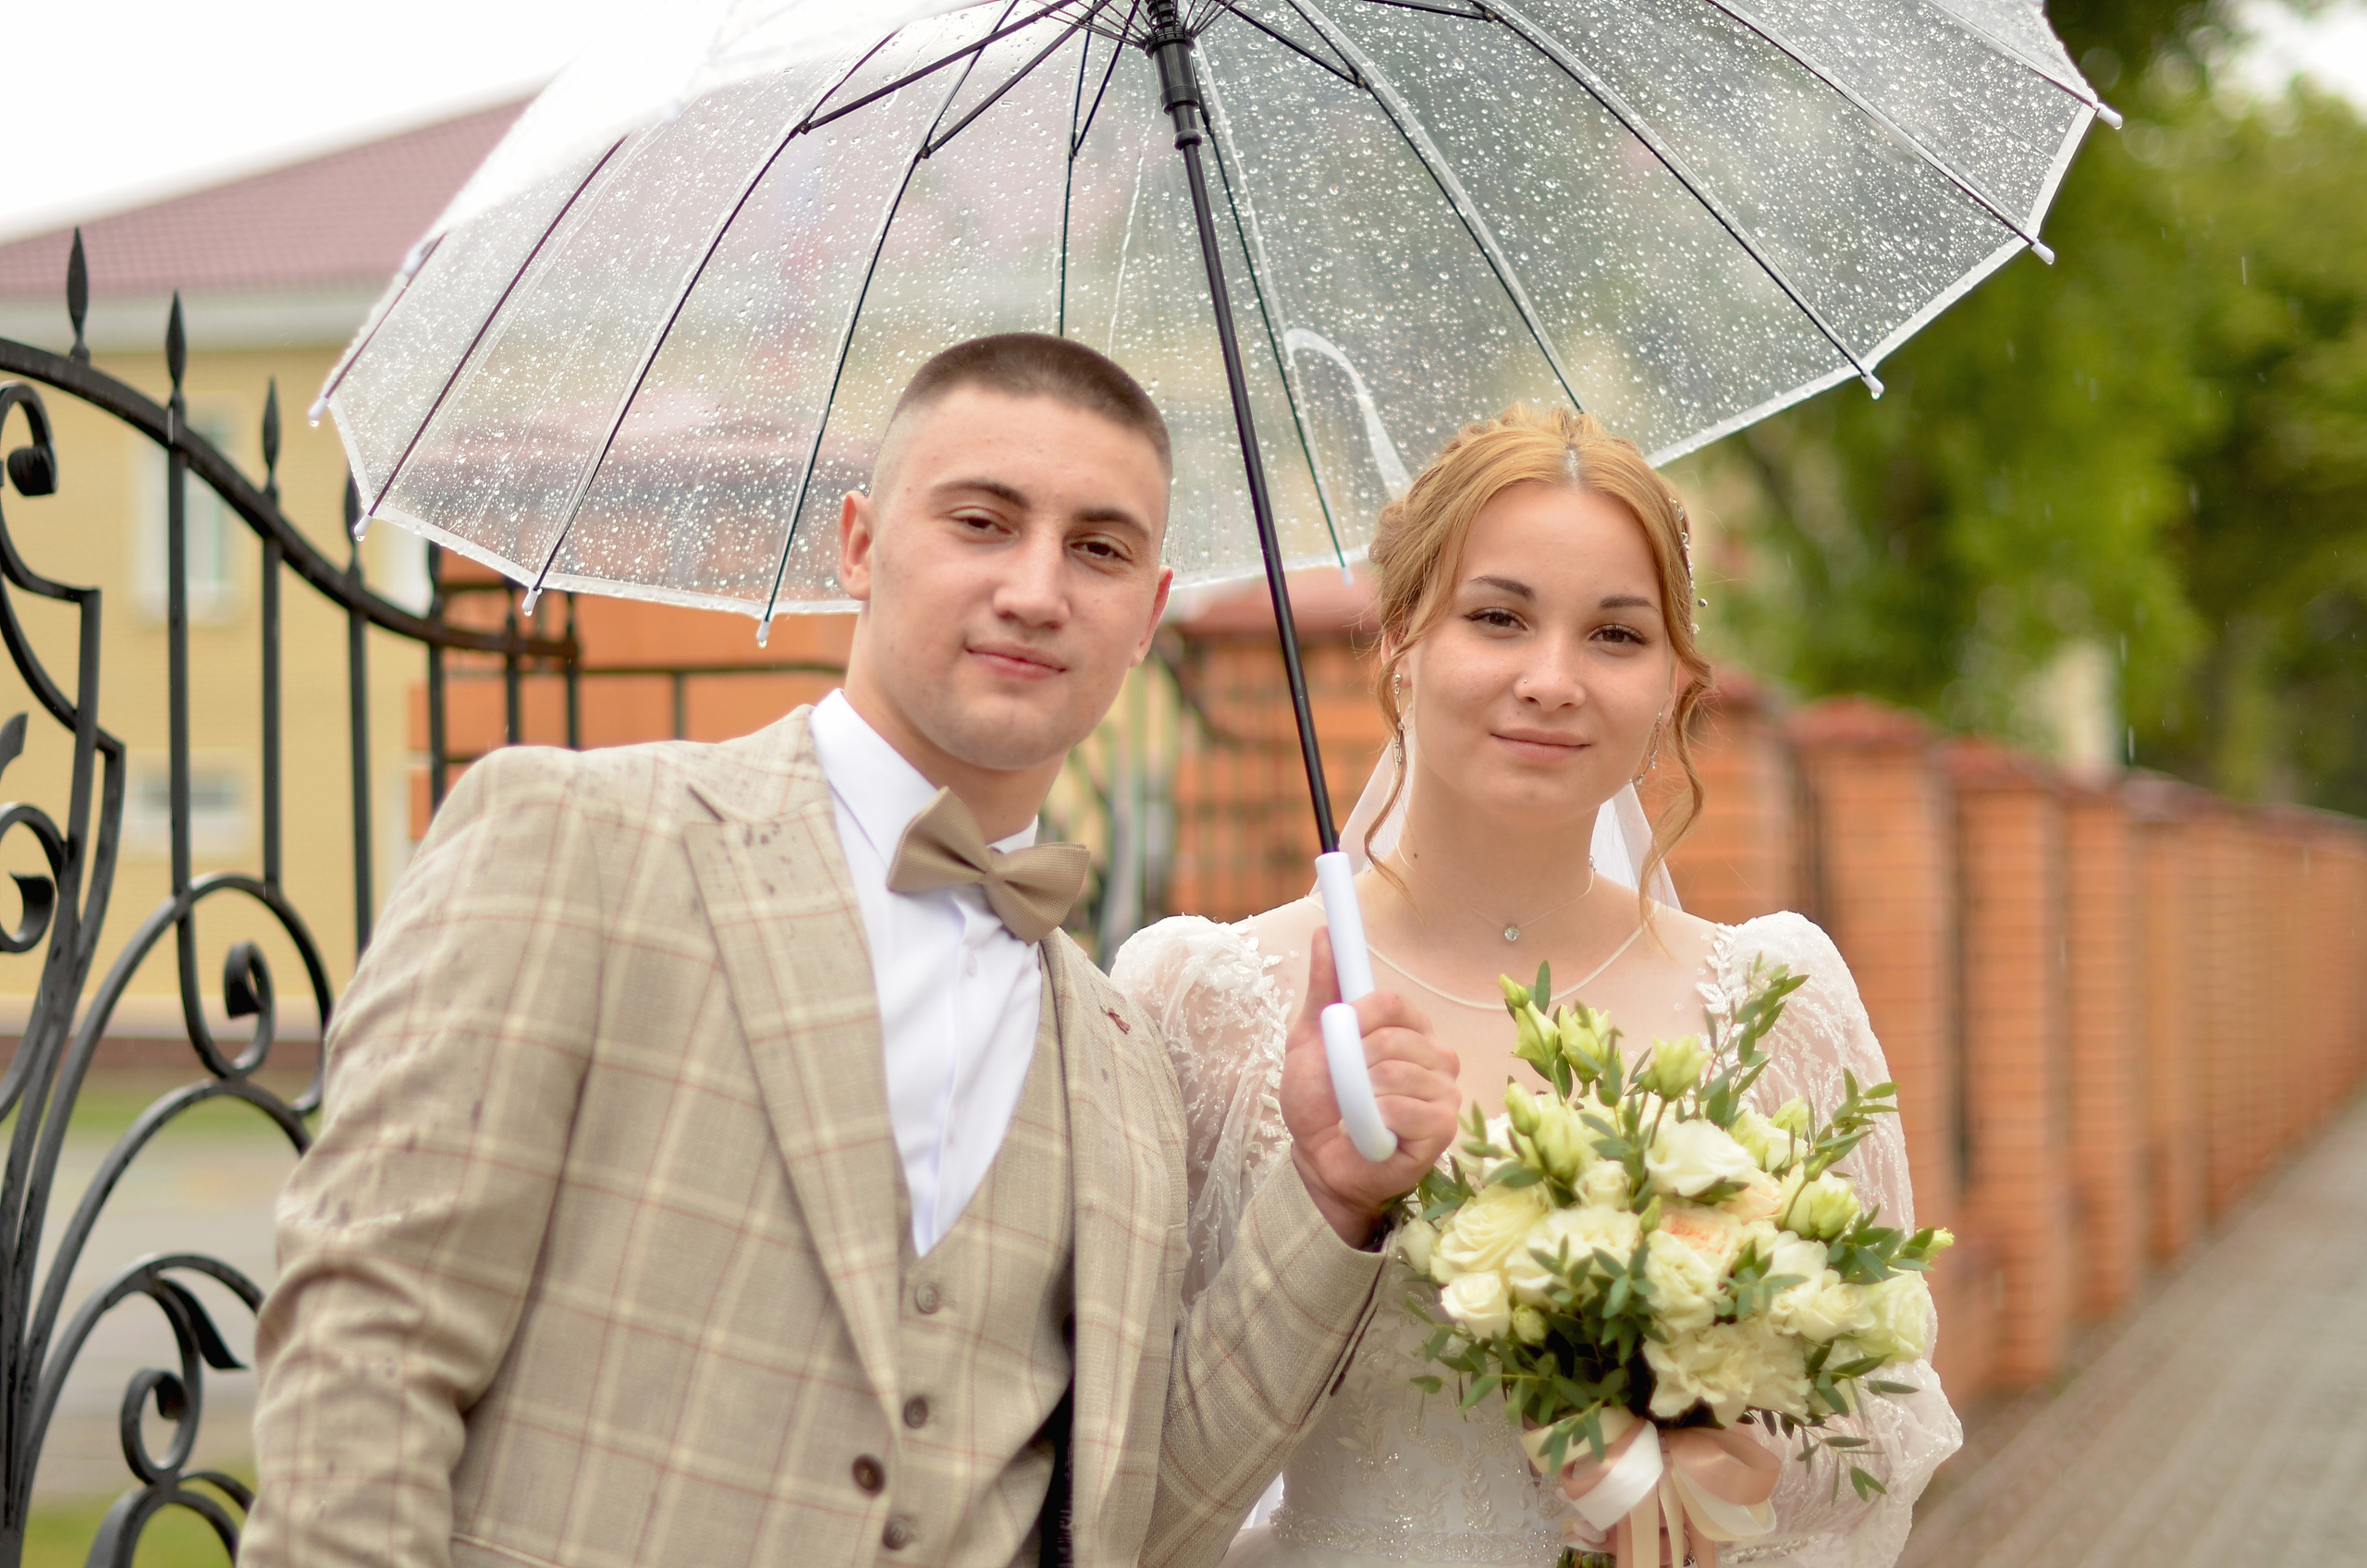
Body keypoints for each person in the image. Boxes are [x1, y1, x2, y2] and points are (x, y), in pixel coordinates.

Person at [243, 333, 1463, 1568]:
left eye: (1097, 548)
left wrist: (1329, 1194)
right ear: (862, 545)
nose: (1037, 589)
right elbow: (366, 1353)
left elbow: (1134, 1519)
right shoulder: (581, 843)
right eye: (983, 522)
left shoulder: (1125, 1060)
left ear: (1148, 611)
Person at [1113, 406, 1963, 1568]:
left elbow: (1880, 1432)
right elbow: (1130, 1483)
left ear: (1675, 679)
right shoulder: (1207, 999)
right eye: (1498, 617)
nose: (1552, 680)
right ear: (1402, 638)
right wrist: (1329, 1203)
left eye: (1616, 636)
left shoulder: (1774, 1002)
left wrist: (1703, 1457)